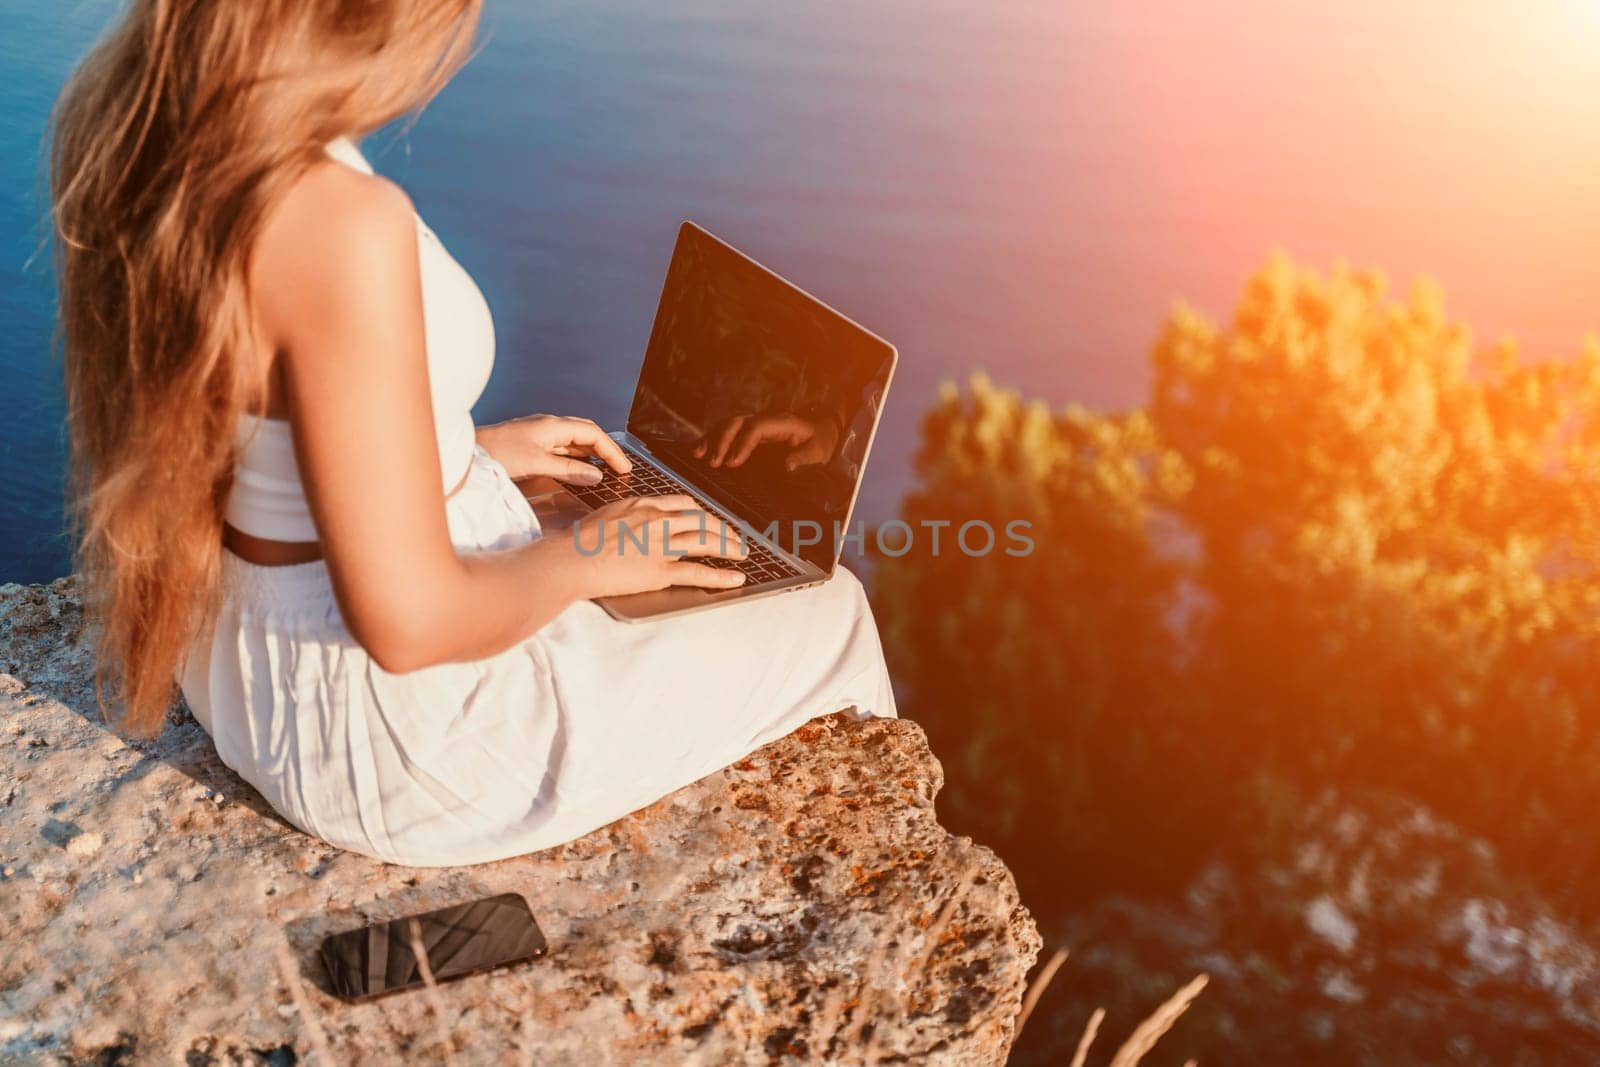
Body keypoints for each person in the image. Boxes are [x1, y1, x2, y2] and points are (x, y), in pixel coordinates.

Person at [50, 0, 895, 867]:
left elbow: (259, 431)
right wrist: (588, 558)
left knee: (641, 531)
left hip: (242, 665)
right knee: (832, 611)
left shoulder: (146, 113)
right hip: (397, 736)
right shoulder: (339, 220)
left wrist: (462, 456)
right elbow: (408, 625)